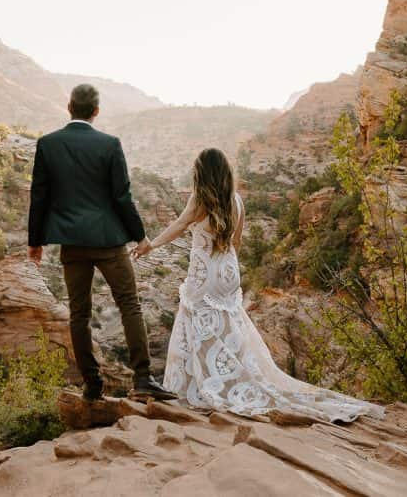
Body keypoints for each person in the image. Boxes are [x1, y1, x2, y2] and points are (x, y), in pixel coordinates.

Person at [132, 147, 384, 422]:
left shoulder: (199, 199)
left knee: (196, 326)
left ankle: (202, 386)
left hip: (204, 274)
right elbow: (236, 242)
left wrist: (151, 245)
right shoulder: (236, 201)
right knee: (227, 326)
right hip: (228, 272)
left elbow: (179, 225)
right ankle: (228, 379)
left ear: (201, 173)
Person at [28, 84, 174, 401]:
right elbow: (122, 197)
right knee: (129, 305)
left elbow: (39, 196)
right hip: (109, 241)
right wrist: (140, 235)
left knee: (79, 314)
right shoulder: (109, 144)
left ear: (69, 107)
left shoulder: (48, 144)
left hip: (72, 243)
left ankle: (92, 384)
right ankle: (143, 379)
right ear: (96, 111)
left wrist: (35, 241)